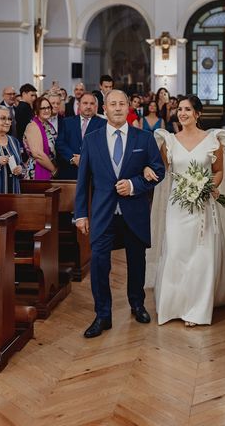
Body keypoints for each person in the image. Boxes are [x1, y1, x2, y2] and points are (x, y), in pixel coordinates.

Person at [150, 95, 225, 327]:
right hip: (177, 206)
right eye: (179, 109)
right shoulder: (169, 141)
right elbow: (164, 171)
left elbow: (218, 172)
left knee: (201, 255)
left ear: (197, 113)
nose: (182, 113)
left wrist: (205, 188)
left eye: (187, 109)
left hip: (203, 205)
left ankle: (196, 309)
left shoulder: (213, 140)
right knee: (176, 251)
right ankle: (174, 306)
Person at [75, 89, 165, 338]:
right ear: (105, 108)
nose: (117, 108)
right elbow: (83, 181)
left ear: (128, 108)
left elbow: (158, 170)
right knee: (99, 263)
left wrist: (135, 185)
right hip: (103, 213)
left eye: (121, 104)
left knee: (136, 261)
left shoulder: (144, 138)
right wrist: (80, 214)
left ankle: (137, 303)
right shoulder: (91, 140)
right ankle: (103, 314)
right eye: (112, 104)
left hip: (133, 212)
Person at [55, 92, 106, 180]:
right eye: (85, 103)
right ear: (79, 104)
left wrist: (85, 160)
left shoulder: (103, 124)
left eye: (92, 104)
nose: (89, 106)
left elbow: (103, 147)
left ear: (96, 106)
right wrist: (73, 158)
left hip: (92, 174)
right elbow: (60, 143)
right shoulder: (67, 122)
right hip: (69, 172)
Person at [24, 95, 58, 180]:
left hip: (48, 167)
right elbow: (38, 154)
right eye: (43, 108)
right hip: (37, 169)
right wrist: (53, 170)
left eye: (48, 107)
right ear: (36, 111)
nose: (47, 110)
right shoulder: (33, 126)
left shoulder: (47, 125)